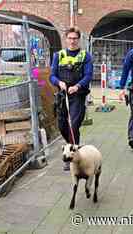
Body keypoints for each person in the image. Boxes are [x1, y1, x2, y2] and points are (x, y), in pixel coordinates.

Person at [50, 27, 93, 170]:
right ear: (66, 39)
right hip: (63, 96)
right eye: (70, 38)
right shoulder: (58, 55)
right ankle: (73, 146)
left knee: (73, 125)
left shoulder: (85, 56)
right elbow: (52, 76)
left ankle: (71, 157)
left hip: (78, 96)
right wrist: (59, 82)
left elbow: (88, 76)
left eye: (75, 38)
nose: (73, 41)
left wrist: (78, 86)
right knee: (62, 126)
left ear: (78, 39)